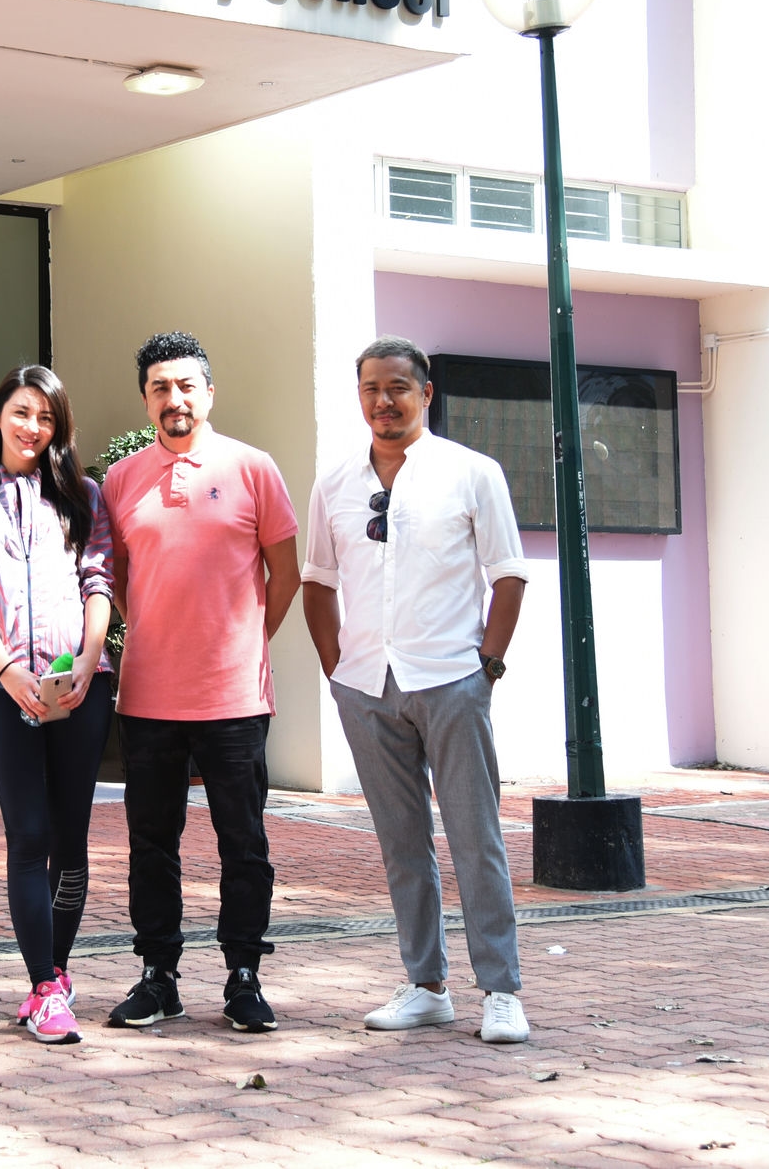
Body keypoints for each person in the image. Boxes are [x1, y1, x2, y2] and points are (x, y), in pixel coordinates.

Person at [300, 337, 533, 1044]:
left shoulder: (472, 473)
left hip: (451, 680)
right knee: (402, 843)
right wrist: (339, 671)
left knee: (475, 837)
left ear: (425, 393)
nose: (384, 401)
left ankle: (501, 990)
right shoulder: (335, 483)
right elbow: (317, 582)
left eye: (398, 387)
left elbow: (508, 575)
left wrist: (486, 667)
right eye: (371, 388)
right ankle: (426, 986)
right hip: (367, 688)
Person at [101, 331, 300, 1035]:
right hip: (148, 695)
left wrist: (245, 638)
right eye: (160, 387)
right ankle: (159, 976)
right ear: (146, 399)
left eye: (186, 385)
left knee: (243, 843)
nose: (174, 398)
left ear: (209, 393)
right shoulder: (121, 480)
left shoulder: (253, 468)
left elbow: (286, 573)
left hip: (235, 697)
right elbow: (117, 579)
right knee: (151, 845)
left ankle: (244, 975)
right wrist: (154, 628)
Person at [0, 364, 116, 1045]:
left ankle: (57, 974)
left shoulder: (84, 497)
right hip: (3, 687)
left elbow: (98, 579)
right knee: (29, 835)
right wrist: (8, 668)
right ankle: (44, 987)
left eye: (45, 418)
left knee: (71, 839)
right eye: (21, 412)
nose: (32, 427)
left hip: (82, 685)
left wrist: (91, 659)